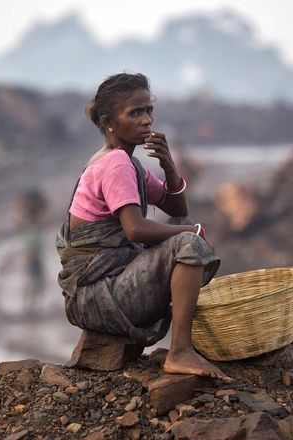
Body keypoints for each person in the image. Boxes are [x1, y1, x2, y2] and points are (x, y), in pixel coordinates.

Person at [56, 73, 231, 381]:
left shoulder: (126, 162)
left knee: (182, 227)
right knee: (188, 242)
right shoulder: (116, 165)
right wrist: (191, 234)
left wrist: (168, 163)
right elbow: (135, 230)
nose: (146, 120)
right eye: (135, 113)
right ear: (110, 122)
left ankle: (182, 347)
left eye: (148, 110)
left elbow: (177, 209)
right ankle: (179, 351)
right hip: (97, 296)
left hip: (102, 286)